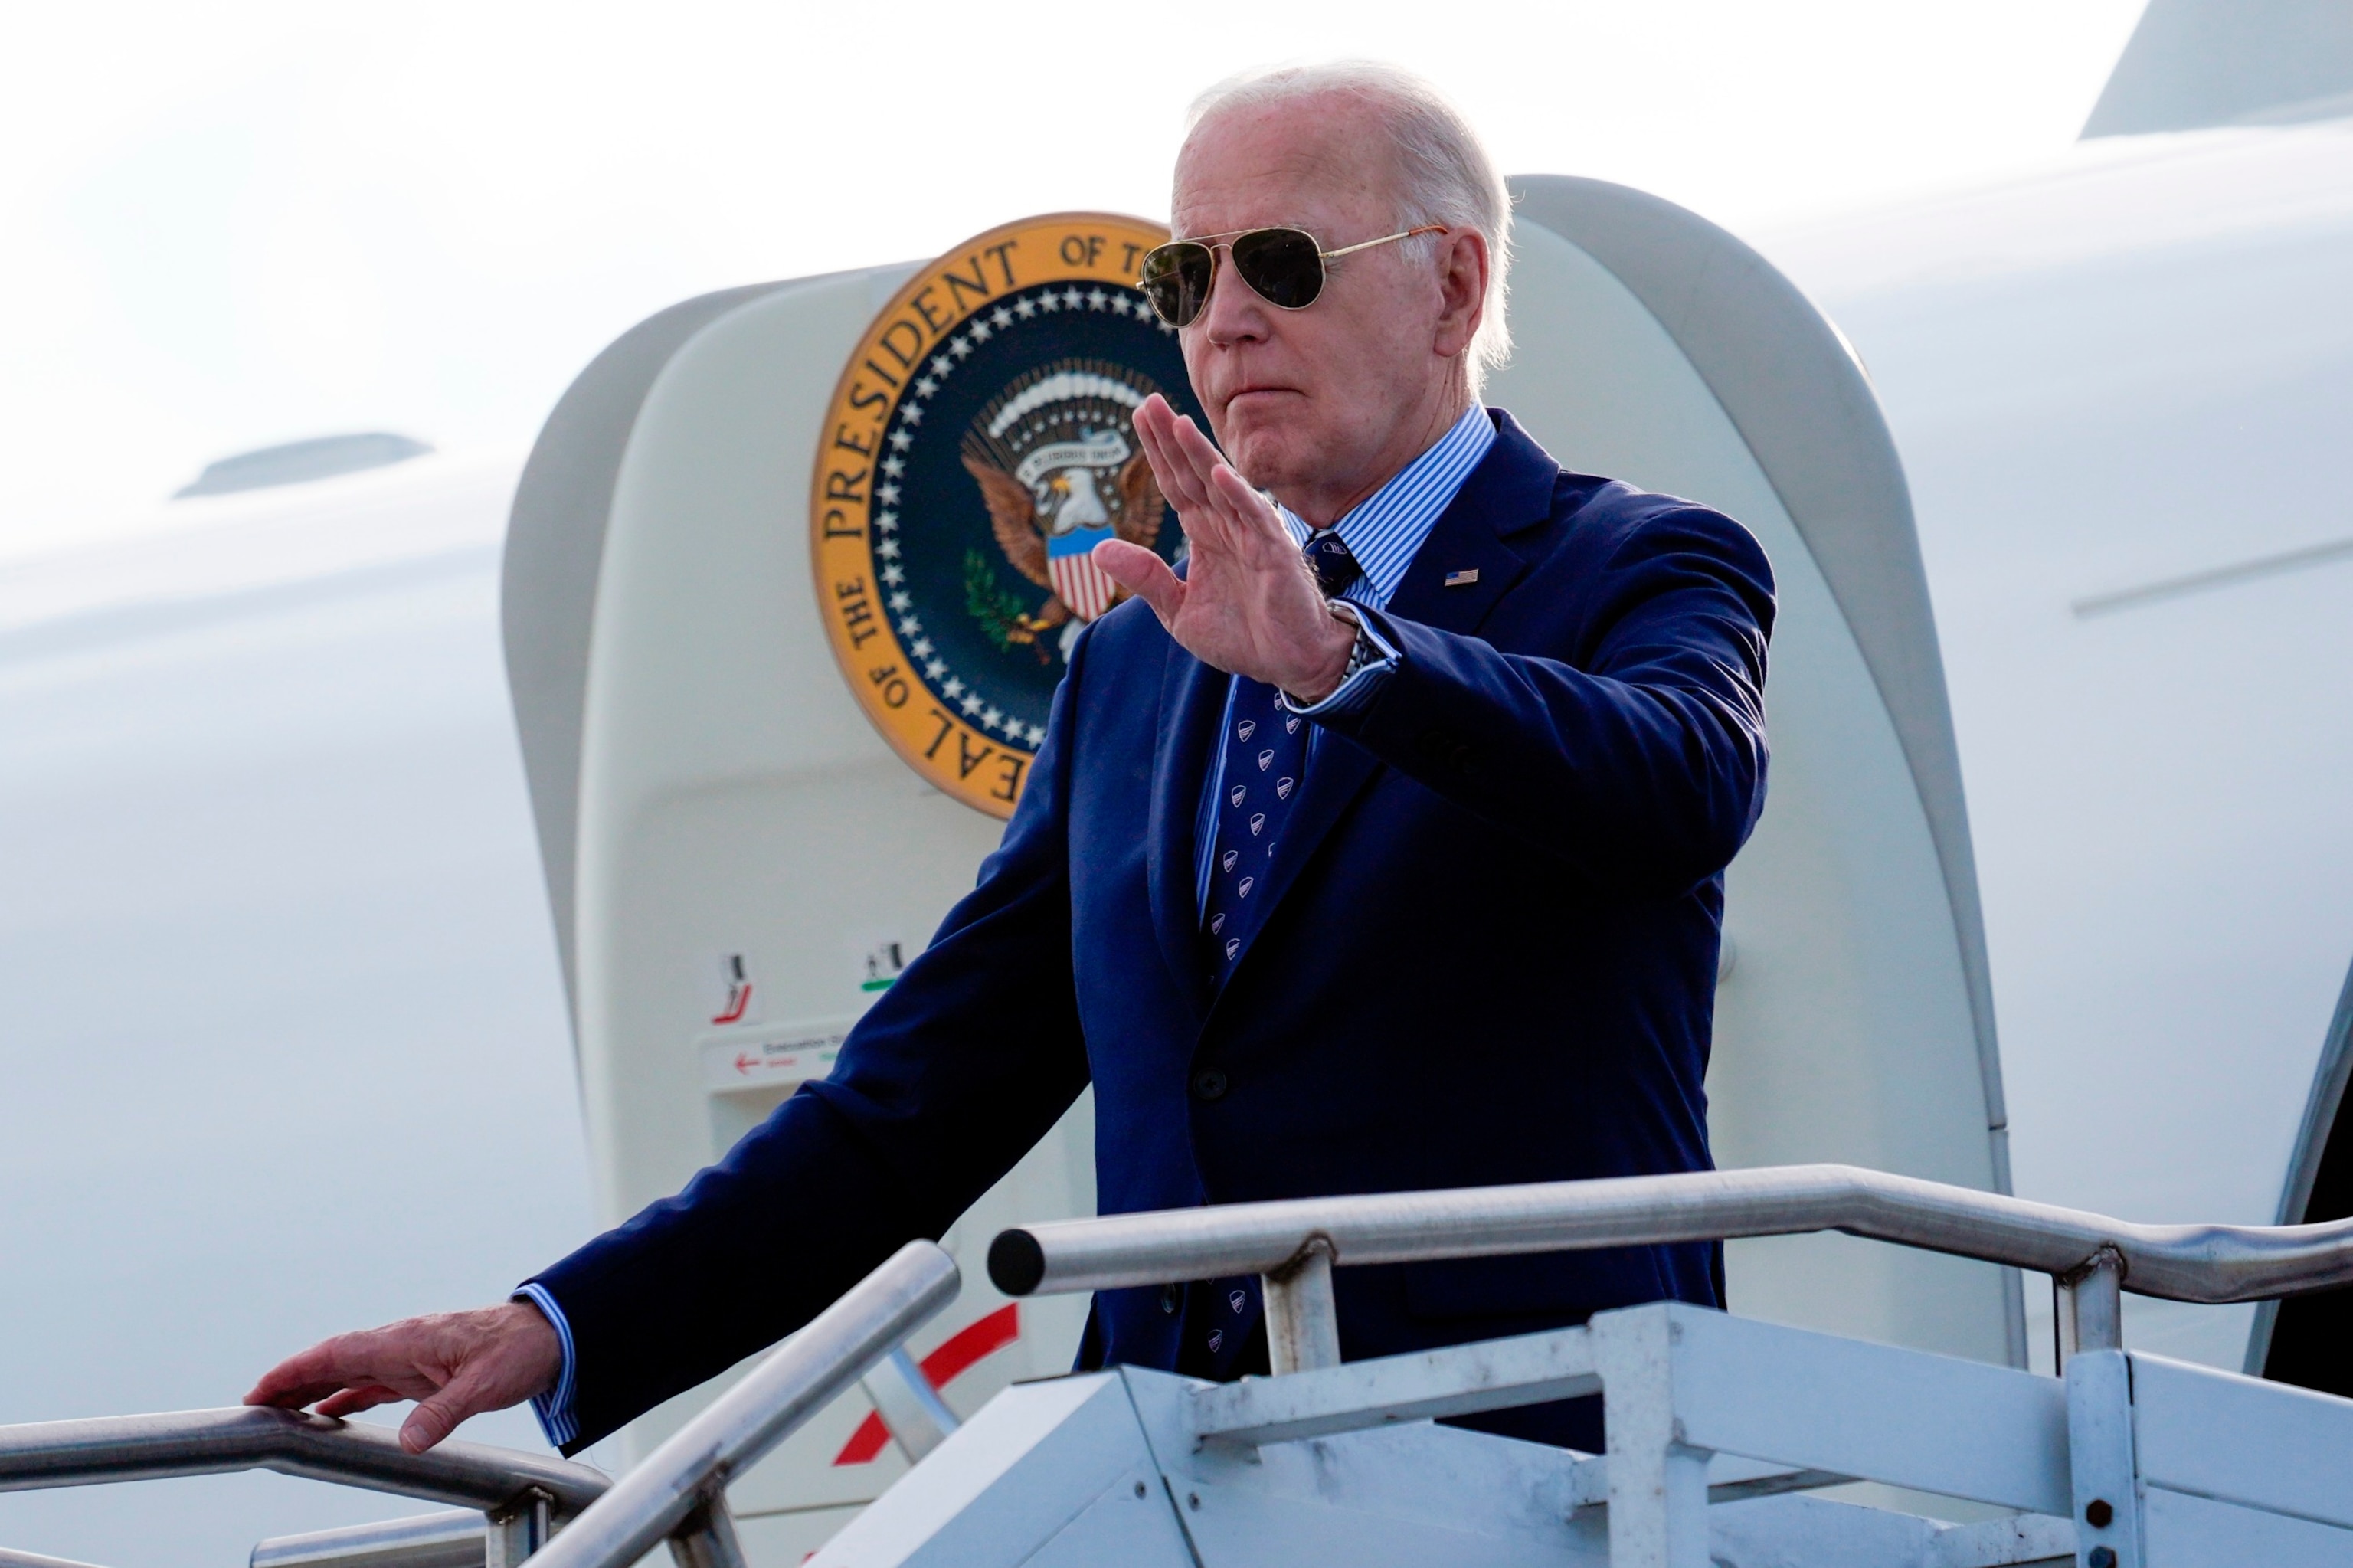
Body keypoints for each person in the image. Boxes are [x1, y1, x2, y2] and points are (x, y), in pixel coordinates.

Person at [247, 60, 1775, 1459]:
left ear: (1455, 288)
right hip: (1178, 1472)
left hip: (1542, 1469)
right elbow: (914, 1102)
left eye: (1287, 263)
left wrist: (1340, 663)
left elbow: (1680, 784)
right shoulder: (1136, 662)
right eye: (1191, 271)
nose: (1225, 316)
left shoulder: (1637, 565)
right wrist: (557, 1323)